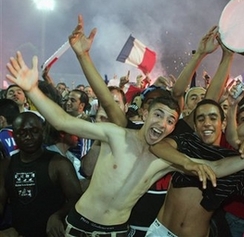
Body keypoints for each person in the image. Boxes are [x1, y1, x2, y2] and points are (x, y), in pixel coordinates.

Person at [6, 51, 216, 235]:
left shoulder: (167, 157)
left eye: (170, 120)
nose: (162, 123)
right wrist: (32, 89)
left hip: (116, 231)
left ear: (173, 126)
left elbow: (215, 163)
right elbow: (63, 120)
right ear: (144, 112)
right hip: (78, 224)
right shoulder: (117, 133)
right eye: (157, 113)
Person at [146, 99, 244, 237]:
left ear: (223, 123)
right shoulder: (187, 143)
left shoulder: (234, 161)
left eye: (213, 118)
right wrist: (187, 163)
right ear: (195, 126)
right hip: (160, 232)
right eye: (201, 119)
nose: (207, 123)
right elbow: (157, 146)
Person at [0, 112, 82, 237]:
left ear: (43, 133)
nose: (28, 137)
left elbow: (77, 200)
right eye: (22, 133)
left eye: (34, 131)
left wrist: (58, 215)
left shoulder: (58, 163)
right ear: (14, 137)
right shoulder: (6, 165)